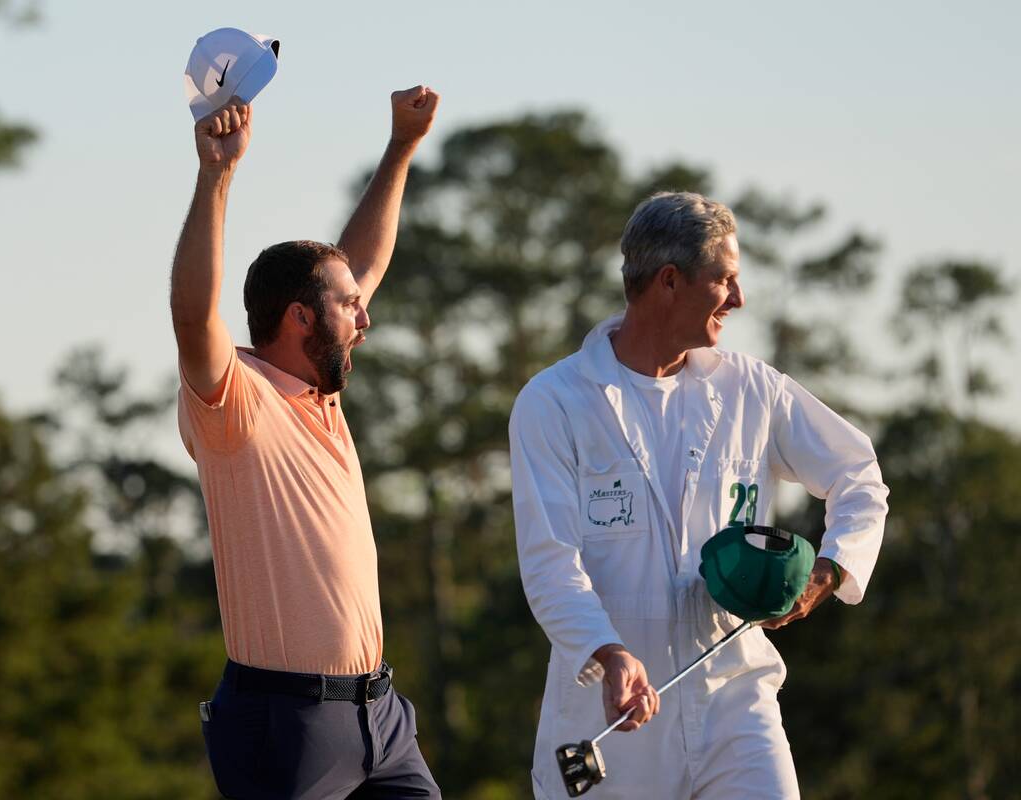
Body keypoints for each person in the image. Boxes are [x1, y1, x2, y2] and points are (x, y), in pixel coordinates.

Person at [508, 191, 889, 799]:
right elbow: (550, 562)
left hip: (735, 704)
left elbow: (859, 473)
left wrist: (829, 571)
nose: (738, 299)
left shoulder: (752, 389)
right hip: (612, 718)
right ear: (669, 281)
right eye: (725, 280)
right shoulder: (554, 402)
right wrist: (609, 654)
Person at [170, 85, 441, 799]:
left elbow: (365, 262)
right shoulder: (237, 404)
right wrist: (216, 177)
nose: (365, 317)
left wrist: (402, 147)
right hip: (284, 723)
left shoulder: (322, 394)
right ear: (299, 318)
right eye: (350, 307)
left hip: (380, 717)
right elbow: (192, 314)